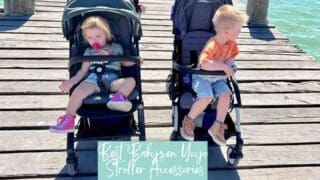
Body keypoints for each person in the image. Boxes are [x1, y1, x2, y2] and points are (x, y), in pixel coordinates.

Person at [49, 16, 137, 133]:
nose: (94, 40)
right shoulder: (88, 52)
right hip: (93, 81)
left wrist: (135, 60)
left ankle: (118, 98)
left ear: (106, 34)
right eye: (90, 37)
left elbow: (125, 63)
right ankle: (68, 120)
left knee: (131, 81)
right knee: (77, 93)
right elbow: (82, 71)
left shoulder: (116, 48)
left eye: (98, 36)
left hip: (113, 81)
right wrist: (72, 82)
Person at [180, 5, 248, 145]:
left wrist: (229, 66)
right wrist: (223, 66)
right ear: (227, 31)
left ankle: (217, 125)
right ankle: (189, 120)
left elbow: (230, 60)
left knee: (226, 95)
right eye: (238, 30)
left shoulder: (233, 45)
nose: (240, 33)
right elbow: (205, 64)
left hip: (219, 79)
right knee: (206, 97)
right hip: (202, 77)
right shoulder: (212, 44)